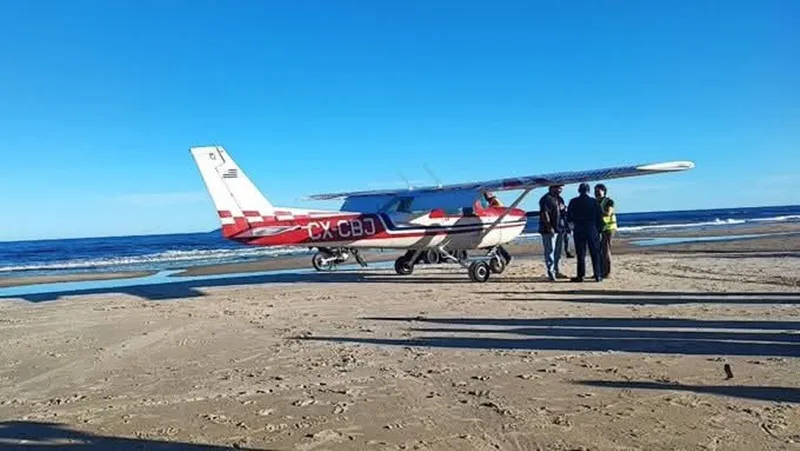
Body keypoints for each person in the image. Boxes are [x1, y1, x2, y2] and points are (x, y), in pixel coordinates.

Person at [567, 182, 604, 282]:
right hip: (592, 229)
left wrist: (572, 226)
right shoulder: (594, 202)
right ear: (588, 190)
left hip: (579, 229)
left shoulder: (573, 201)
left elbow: (569, 217)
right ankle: (598, 275)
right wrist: (599, 230)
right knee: (595, 253)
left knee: (581, 254)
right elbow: (599, 217)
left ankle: (581, 275)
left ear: (579, 190)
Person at [538, 184, 566, 281]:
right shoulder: (546, 199)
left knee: (557, 251)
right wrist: (549, 227)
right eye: (558, 187)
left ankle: (556, 269)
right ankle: (551, 271)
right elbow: (544, 213)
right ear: (552, 188)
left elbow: (563, 213)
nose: (560, 189)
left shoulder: (560, 199)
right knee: (550, 250)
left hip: (559, 228)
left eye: (561, 187)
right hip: (548, 230)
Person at [594, 183, 617, 278]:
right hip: (598, 228)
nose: (597, 193)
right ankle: (599, 271)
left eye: (598, 191)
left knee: (606, 250)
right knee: (598, 251)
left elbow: (608, 213)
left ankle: (607, 272)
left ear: (604, 192)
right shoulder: (594, 202)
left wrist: (598, 211)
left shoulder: (609, 201)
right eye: (595, 191)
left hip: (608, 228)